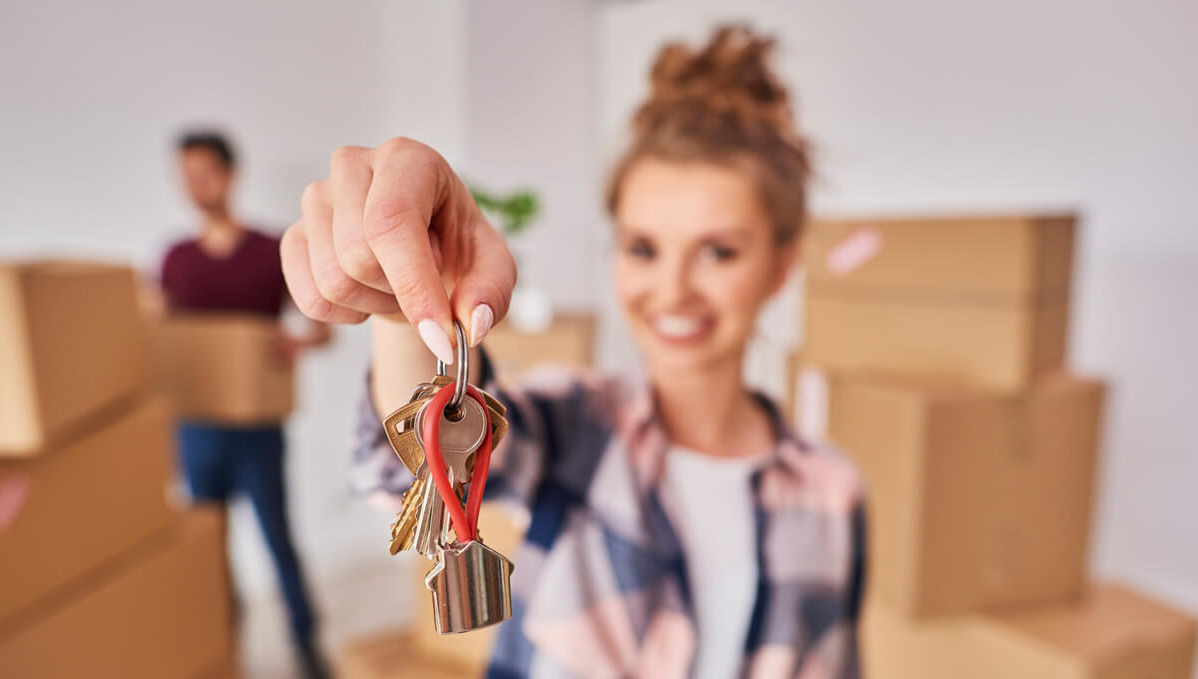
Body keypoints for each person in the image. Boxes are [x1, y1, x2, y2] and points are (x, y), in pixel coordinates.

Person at [281, 26, 865, 678]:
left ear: (781, 267)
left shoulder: (833, 490)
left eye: (718, 251)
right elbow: (412, 471)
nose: (671, 289)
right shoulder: (575, 421)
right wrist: (402, 300)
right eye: (643, 248)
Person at [159, 131, 333, 679]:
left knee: (279, 541)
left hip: (258, 426)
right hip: (197, 428)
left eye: (205, 173)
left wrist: (295, 343)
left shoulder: (270, 250)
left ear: (231, 176)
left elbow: (321, 328)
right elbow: (159, 337)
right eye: (186, 175)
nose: (195, 186)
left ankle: (307, 649)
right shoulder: (176, 259)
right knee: (208, 550)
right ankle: (220, 651)